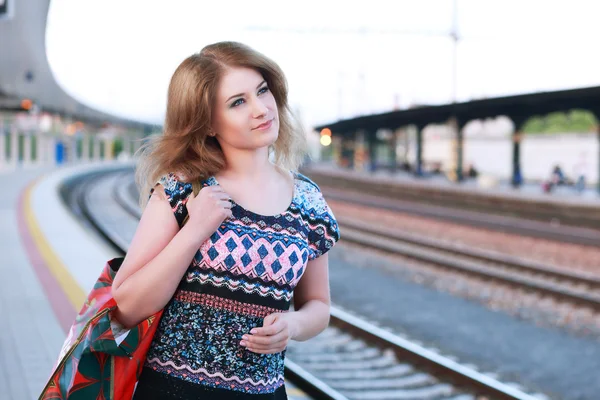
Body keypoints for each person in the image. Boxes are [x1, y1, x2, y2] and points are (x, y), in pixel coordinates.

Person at [111, 41, 340, 399]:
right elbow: (125, 307)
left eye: (262, 91)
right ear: (208, 124)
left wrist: (293, 325)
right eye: (238, 102)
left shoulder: (309, 202)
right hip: (175, 392)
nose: (261, 109)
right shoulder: (182, 191)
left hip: (264, 392)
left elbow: (319, 307)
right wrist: (194, 231)